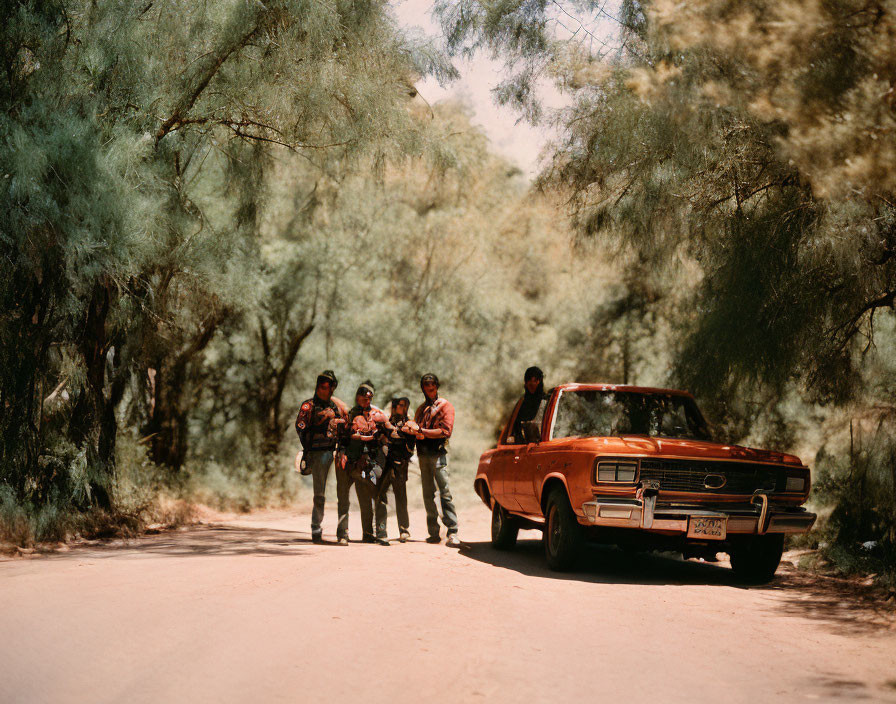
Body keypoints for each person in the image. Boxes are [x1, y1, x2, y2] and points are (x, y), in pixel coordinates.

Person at [295, 370, 348, 544]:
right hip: (317, 453)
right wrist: (308, 448)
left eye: (329, 387)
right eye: (323, 386)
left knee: (342, 492)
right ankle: (316, 528)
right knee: (319, 494)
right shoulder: (308, 406)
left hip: (333, 451)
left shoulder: (334, 407)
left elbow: (344, 428)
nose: (325, 390)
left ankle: (342, 531)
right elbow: (301, 428)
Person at [414, 373, 460, 547]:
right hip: (423, 454)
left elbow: (445, 431)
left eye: (432, 385)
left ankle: (453, 530)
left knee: (444, 493)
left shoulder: (445, 406)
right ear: (423, 388)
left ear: (437, 386)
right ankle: (433, 532)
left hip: (438, 454)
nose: (429, 388)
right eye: (426, 385)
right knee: (428, 495)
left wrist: (422, 431)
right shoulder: (420, 409)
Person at [345, 380, 390, 546]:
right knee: (364, 499)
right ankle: (368, 533)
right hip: (357, 462)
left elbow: (387, 433)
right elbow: (345, 436)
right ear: (357, 397)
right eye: (364, 397)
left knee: (380, 497)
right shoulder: (351, 414)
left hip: (375, 461)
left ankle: (382, 533)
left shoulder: (378, 413)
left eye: (370, 397)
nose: (367, 400)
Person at [383, 397, 418, 543]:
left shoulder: (409, 423)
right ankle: (380, 529)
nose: (400, 407)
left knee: (401, 497)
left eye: (403, 405)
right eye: (397, 405)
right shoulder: (387, 421)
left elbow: (411, 443)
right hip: (385, 463)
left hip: (400, 464)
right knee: (380, 496)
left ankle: (404, 529)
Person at [511, 366, 548, 442]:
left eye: (535, 380)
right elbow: (515, 428)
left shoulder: (547, 401)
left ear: (540, 381)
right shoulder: (521, 403)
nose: (532, 384)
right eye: (529, 381)